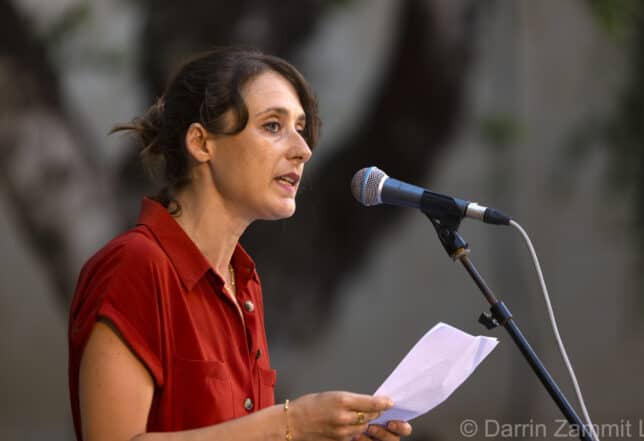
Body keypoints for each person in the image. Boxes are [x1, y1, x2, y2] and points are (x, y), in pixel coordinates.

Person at [68, 48, 412, 441]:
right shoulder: (135, 264)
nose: (303, 149)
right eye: (273, 126)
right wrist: (291, 424)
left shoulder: (243, 282)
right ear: (201, 143)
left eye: (301, 128)